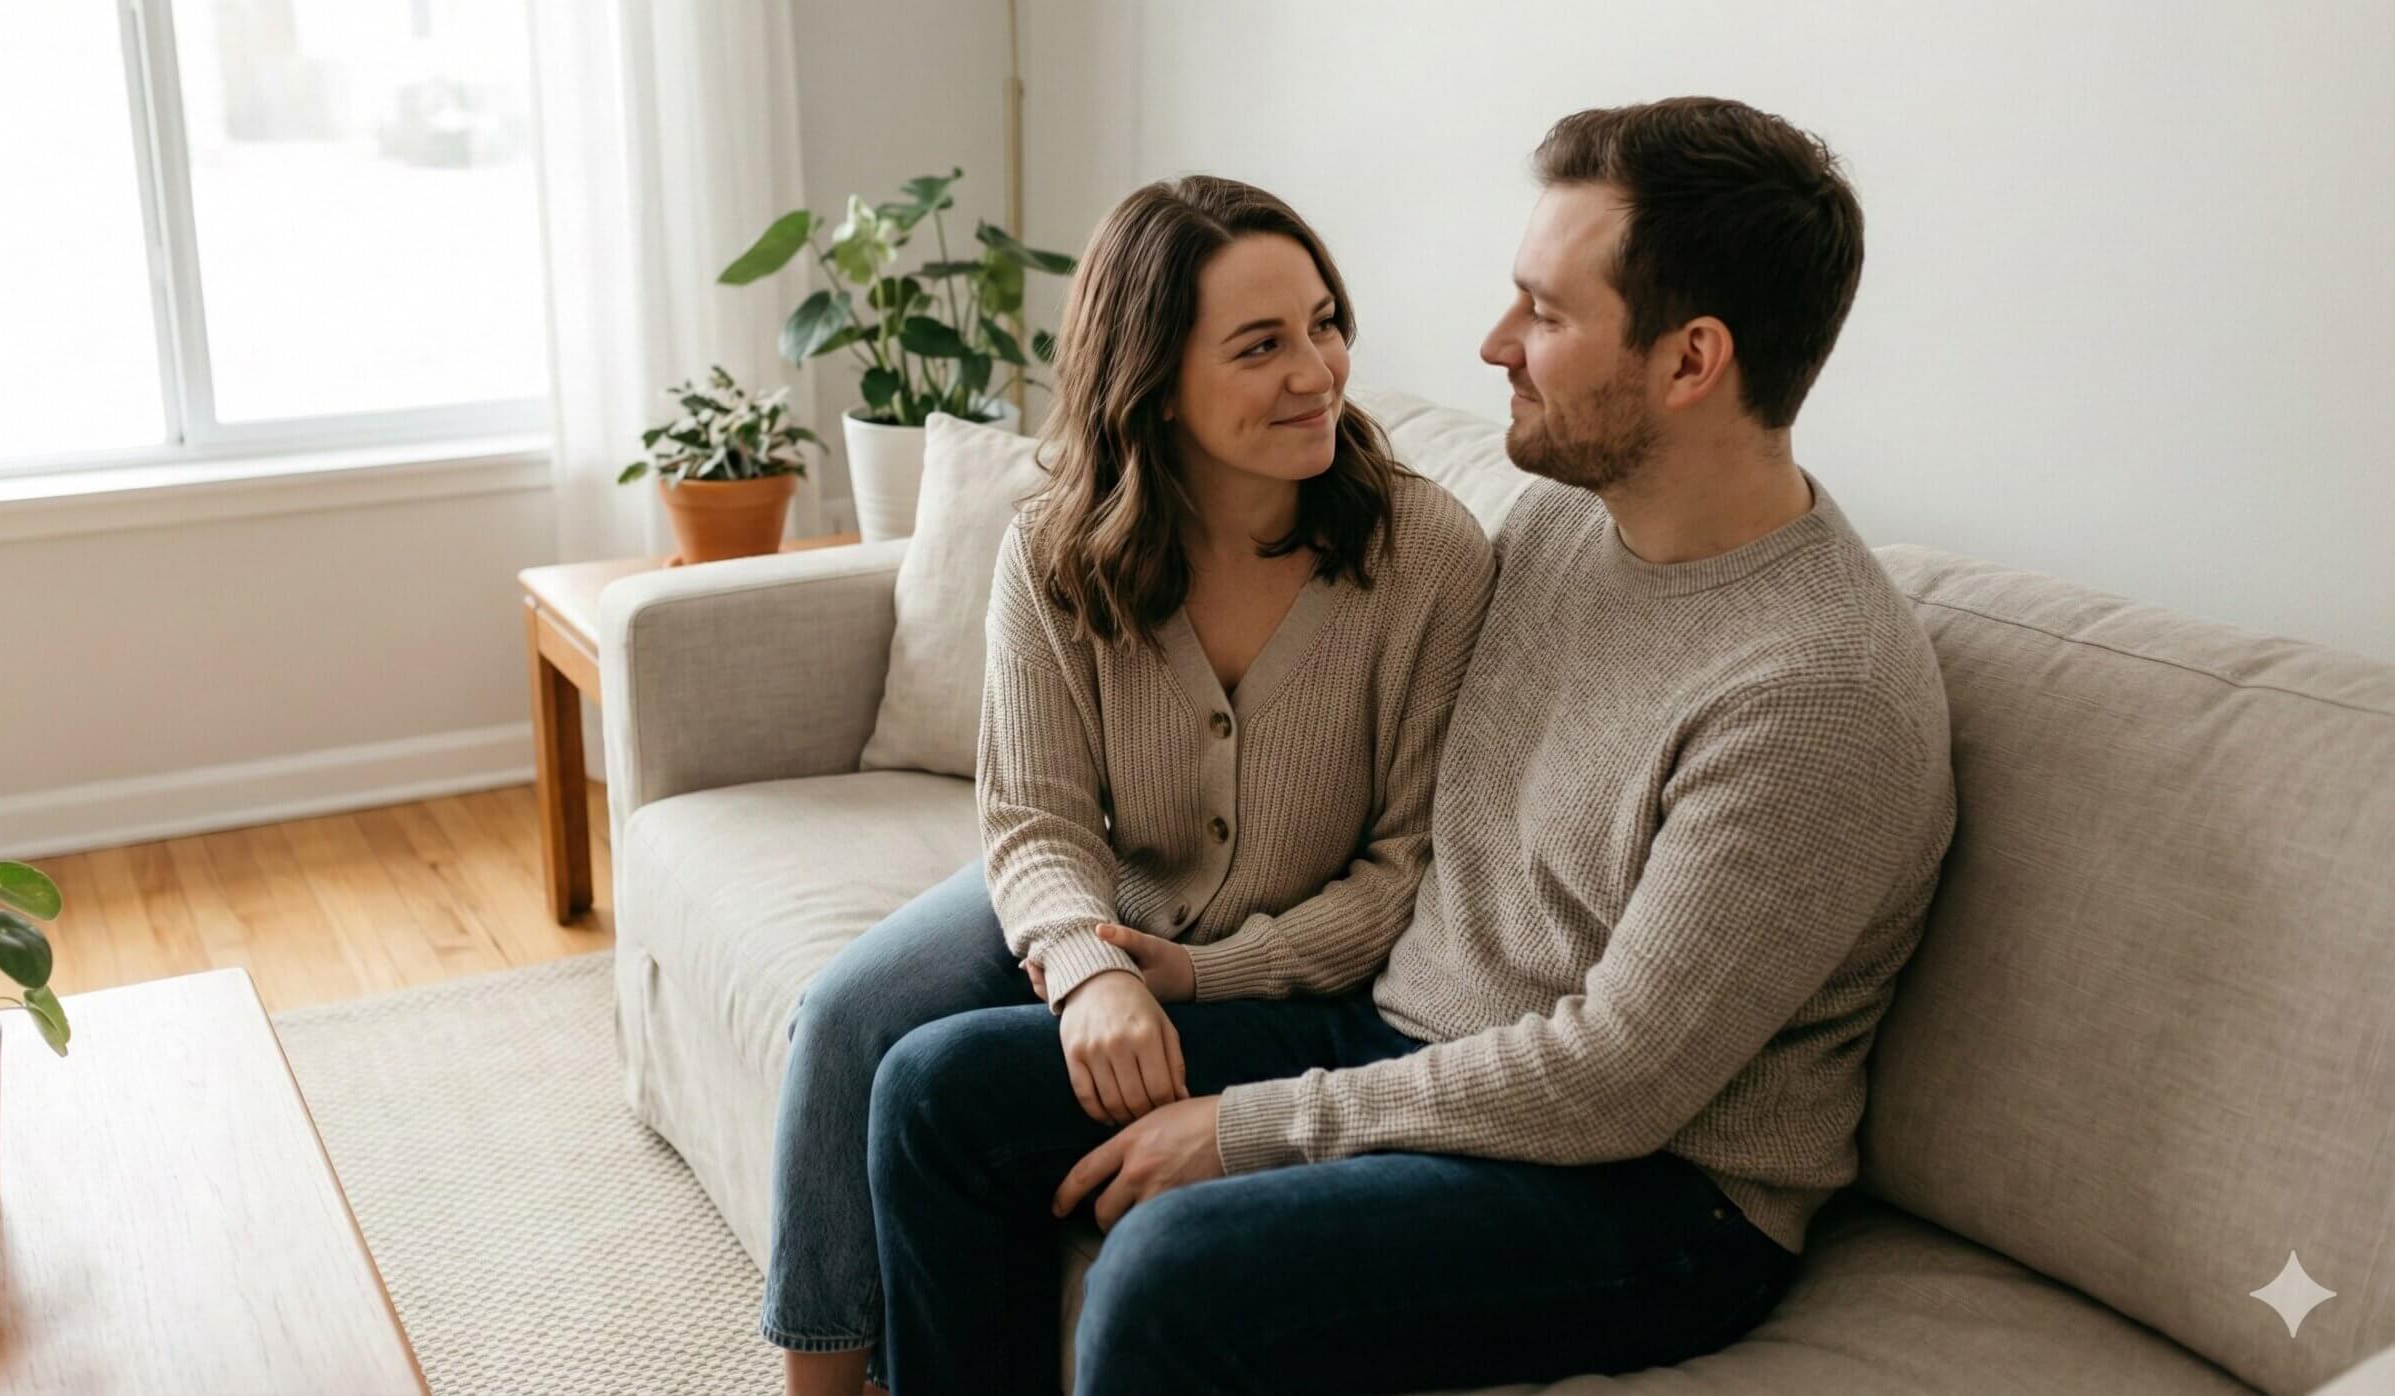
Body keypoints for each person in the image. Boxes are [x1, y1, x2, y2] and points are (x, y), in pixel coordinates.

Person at [864, 96, 1960, 1395]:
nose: (1494, 343)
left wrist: (1249, 1128)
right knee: (936, 1096)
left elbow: (1616, 1081)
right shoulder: (1560, 529)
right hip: (1415, 1039)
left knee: (1172, 1273)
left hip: (1657, 1193)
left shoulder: (1816, 692)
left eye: (1545, 313)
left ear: (1690, 361)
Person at [763, 174, 1497, 1396]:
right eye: (1261, 345)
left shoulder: (1426, 557)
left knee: (942, 1090)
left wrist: (1206, 975)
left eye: (1326, 324)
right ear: (1152, 381)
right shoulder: (1056, 550)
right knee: (849, 1016)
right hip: (1113, 898)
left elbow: (1405, 871)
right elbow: (1036, 816)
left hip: (1296, 961)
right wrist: (1089, 963)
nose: (1316, 371)